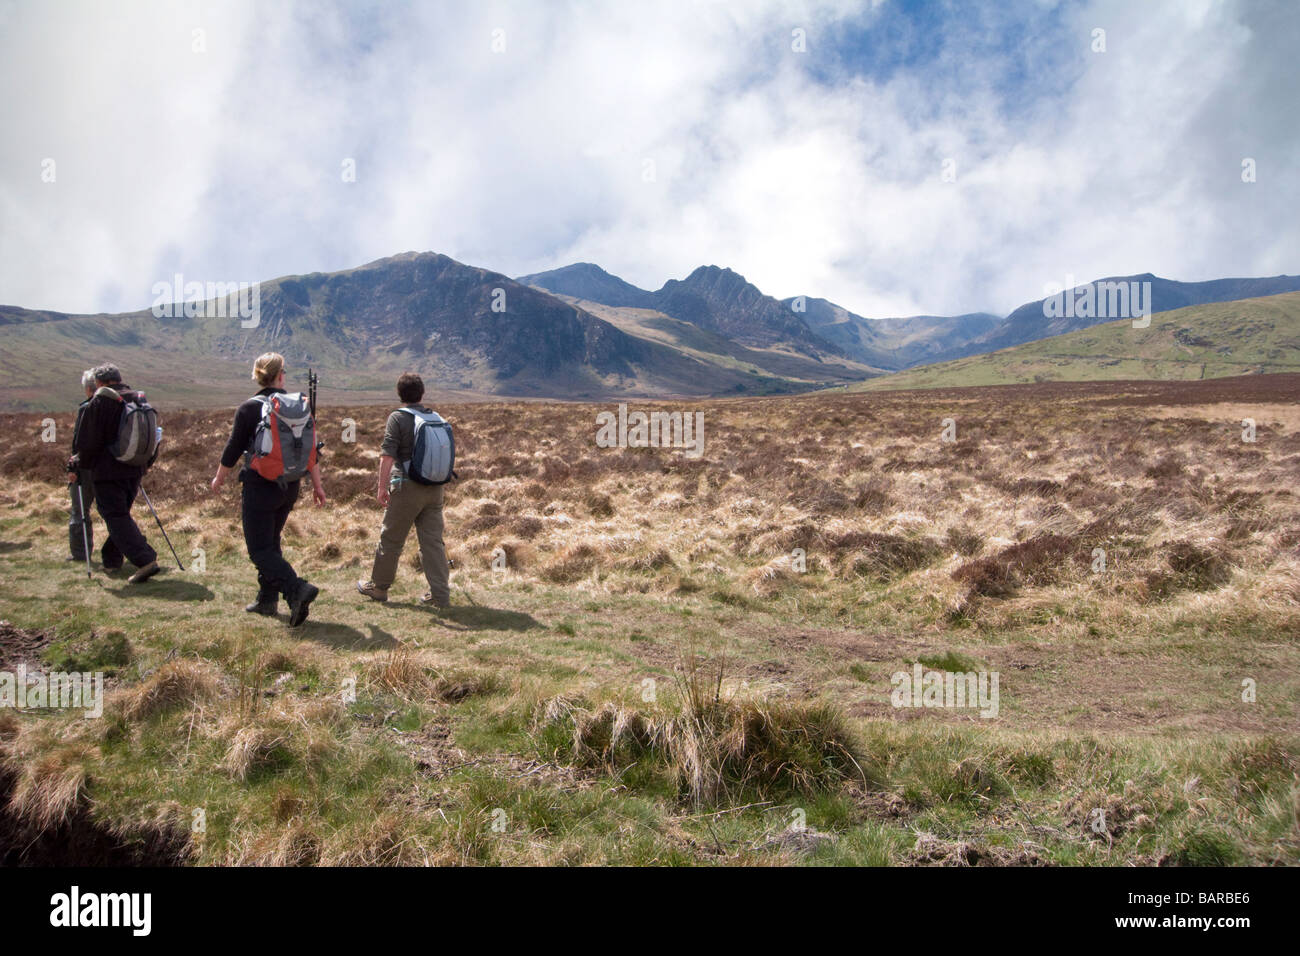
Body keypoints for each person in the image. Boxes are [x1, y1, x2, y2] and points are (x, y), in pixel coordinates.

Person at [210, 353, 325, 626]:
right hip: (290, 486)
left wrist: (219, 477)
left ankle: (296, 589)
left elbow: (233, 447)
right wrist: (318, 486)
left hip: (260, 486)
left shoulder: (249, 408)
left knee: (259, 550)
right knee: (271, 543)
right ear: (281, 375)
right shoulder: (298, 407)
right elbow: (312, 451)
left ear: (258, 375)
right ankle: (267, 600)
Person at [356, 372, 451, 608]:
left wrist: (381, 488)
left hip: (406, 487)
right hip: (435, 488)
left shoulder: (398, 418)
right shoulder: (435, 417)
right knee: (433, 542)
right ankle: (440, 594)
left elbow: (387, 456)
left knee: (391, 538)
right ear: (422, 393)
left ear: (399, 394)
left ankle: (378, 587)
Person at [73, 364, 160, 582]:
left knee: (115, 516)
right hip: (135, 468)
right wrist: (146, 463)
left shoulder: (101, 401)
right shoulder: (138, 398)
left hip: (108, 471)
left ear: (99, 383)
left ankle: (144, 559)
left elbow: (88, 441)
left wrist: (81, 464)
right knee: (120, 515)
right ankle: (112, 559)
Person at [66, 368, 97, 564]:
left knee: (79, 511)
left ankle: (80, 553)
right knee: (113, 512)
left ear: (87, 389)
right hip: (109, 468)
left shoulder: (86, 409)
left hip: (85, 468)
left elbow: (78, 444)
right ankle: (115, 555)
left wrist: (73, 468)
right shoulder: (117, 407)